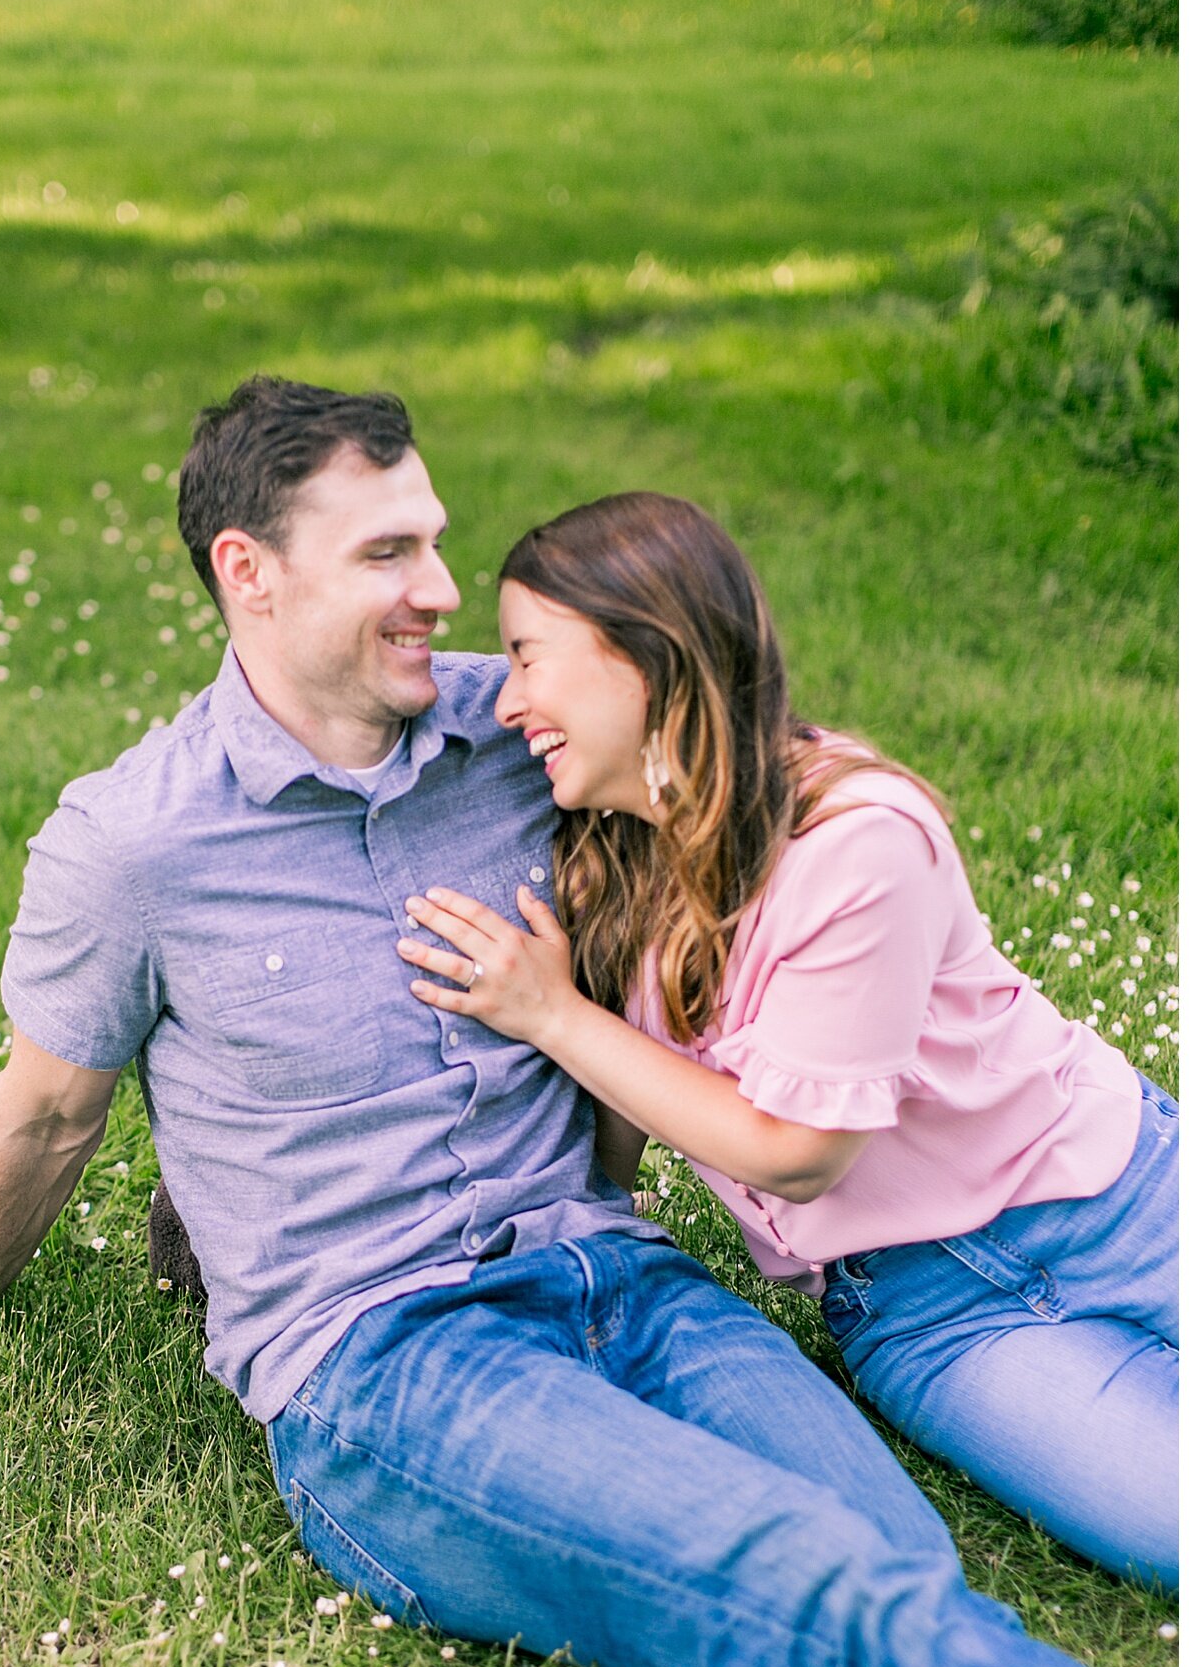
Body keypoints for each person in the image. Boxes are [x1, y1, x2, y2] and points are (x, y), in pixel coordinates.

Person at [0, 377, 1177, 1667]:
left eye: (435, 541)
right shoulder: (132, 844)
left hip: (627, 1281)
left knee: (897, 1563)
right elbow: (50, 1109)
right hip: (394, 1363)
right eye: (391, 552)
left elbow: (715, 755)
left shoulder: (517, 739)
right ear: (250, 572)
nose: (440, 595)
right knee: (828, 1588)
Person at [399, 490, 1178, 1593]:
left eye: (528, 656)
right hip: (929, 1313)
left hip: (1114, 1194)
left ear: (646, 653)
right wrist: (592, 1235)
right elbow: (626, 1103)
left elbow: (801, 1149)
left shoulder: (856, 839)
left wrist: (552, 1014)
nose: (509, 697)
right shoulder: (607, 854)